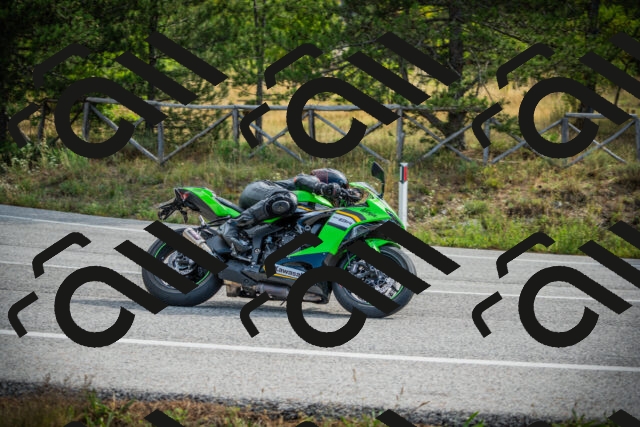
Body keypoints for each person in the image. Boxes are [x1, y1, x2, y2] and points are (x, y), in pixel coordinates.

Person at [220, 168, 351, 253]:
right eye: (341, 189)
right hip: (260, 189)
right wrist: (322, 187)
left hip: (268, 204)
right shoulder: (312, 181)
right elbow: (300, 179)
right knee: (287, 199)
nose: (340, 195)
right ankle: (232, 225)